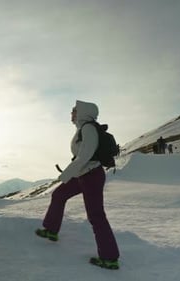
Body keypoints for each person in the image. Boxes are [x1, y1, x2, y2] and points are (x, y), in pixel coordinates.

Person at [35, 100, 120, 270]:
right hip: (83, 174)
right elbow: (82, 157)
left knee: (96, 215)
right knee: (59, 195)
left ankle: (109, 258)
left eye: (74, 110)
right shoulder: (83, 129)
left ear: (83, 112)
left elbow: (85, 156)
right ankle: (51, 230)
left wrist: (65, 175)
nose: (71, 113)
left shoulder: (88, 128)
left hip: (91, 176)